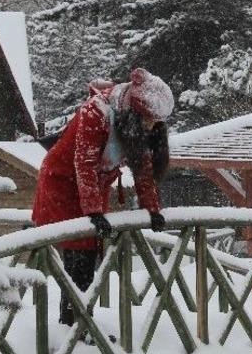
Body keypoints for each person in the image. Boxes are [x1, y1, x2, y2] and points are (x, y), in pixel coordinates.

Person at [32, 68, 173, 326]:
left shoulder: (134, 123)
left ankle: (77, 326)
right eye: (150, 120)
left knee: (88, 260)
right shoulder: (95, 112)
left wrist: (152, 208)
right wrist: (94, 212)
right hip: (64, 184)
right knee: (79, 260)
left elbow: (143, 168)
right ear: (134, 112)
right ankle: (75, 329)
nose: (153, 127)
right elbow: (83, 163)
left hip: (93, 188)